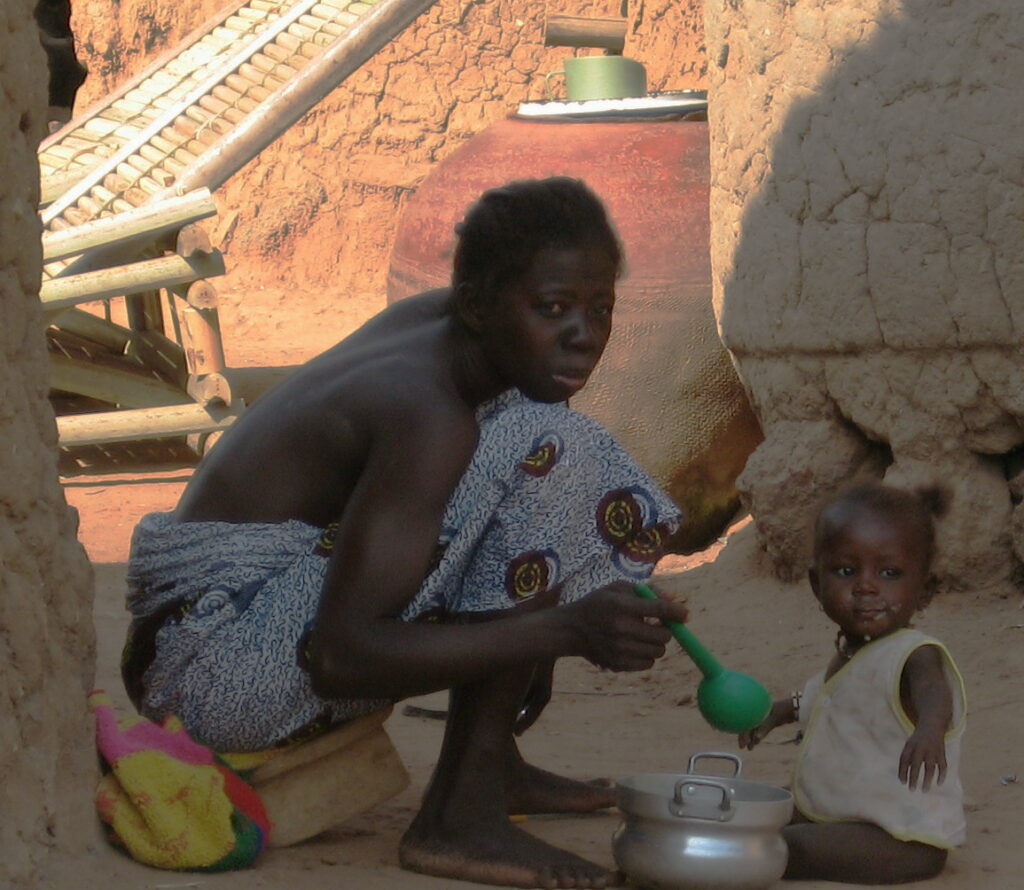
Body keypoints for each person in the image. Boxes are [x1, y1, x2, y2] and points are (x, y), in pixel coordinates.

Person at [121, 176, 688, 889]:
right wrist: (565, 630)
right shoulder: (427, 415)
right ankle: (458, 816)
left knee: (541, 438)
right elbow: (345, 656)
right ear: (481, 304)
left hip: (197, 634)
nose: (583, 333)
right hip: (217, 672)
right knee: (552, 448)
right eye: (552, 309)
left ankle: (488, 767)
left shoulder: (450, 329)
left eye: (599, 309)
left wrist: (528, 624)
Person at [739, 482, 967, 884]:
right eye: (846, 571)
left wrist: (931, 729)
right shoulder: (854, 652)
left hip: (899, 838)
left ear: (925, 589)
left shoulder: (915, 652)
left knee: (781, 847)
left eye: (890, 573)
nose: (866, 585)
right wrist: (773, 713)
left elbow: (933, 691)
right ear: (816, 584)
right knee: (755, 810)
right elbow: (826, 699)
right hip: (842, 812)